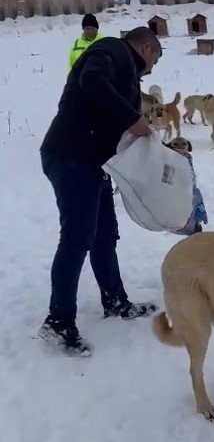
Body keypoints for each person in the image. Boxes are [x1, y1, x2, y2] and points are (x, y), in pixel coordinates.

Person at [39, 27, 162, 356]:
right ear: (147, 48)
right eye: (155, 59)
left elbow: (114, 120)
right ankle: (58, 320)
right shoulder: (113, 50)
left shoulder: (125, 71)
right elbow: (91, 81)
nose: (152, 68)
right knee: (78, 237)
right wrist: (134, 118)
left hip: (92, 161)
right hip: (70, 155)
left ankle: (116, 301)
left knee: (105, 234)